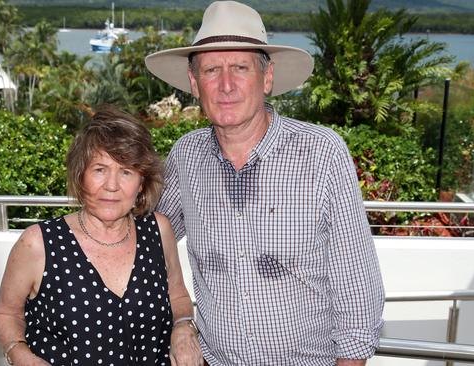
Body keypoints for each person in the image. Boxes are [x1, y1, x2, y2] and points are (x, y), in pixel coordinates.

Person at [145, 1, 385, 365]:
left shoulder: (320, 153)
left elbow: (357, 288)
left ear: (267, 77)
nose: (226, 85)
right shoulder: (186, 156)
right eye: (212, 70)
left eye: (240, 67)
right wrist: (181, 322)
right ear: (195, 83)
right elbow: (146, 242)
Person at [0, 106, 203, 366]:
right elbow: (6, 312)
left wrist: (183, 327)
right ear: (81, 176)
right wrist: (20, 355)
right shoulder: (38, 243)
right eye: (100, 169)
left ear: (141, 183)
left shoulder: (158, 231)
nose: (111, 185)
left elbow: (178, 295)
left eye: (126, 171)